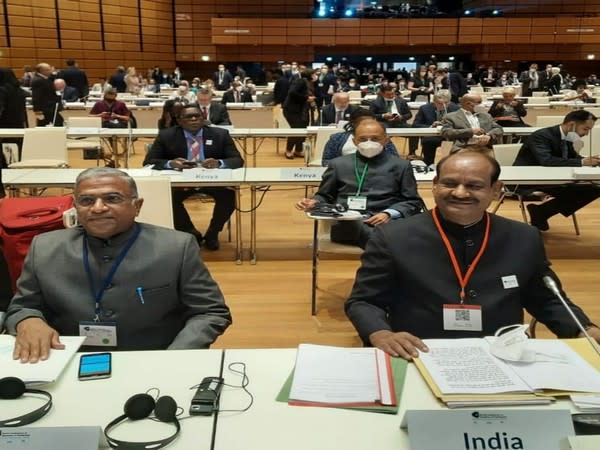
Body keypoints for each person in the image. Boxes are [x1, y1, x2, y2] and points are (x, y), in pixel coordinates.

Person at [345, 150, 600, 359]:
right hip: (419, 351)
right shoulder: (392, 237)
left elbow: (547, 299)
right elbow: (364, 301)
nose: (460, 193)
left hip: (502, 353)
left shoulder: (523, 237)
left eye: (474, 185)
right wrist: (381, 334)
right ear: (434, 186)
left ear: (495, 189)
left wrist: (584, 330)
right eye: (449, 183)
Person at [4, 168, 232, 362]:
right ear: (75, 207)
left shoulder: (176, 247)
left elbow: (210, 312)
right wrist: (28, 321)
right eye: (87, 200)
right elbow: (22, 307)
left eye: (112, 198)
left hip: (153, 359)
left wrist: (175, 357)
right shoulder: (45, 247)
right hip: (68, 360)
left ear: (137, 205)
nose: (98, 208)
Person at [296, 119, 423, 249]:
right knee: (374, 235)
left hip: (387, 221)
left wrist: (389, 213)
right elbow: (324, 195)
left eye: (375, 139)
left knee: (382, 234)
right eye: (362, 139)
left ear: (386, 140)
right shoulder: (338, 165)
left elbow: (413, 201)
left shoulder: (401, 166)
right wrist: (313, 202)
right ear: (354, 141)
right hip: (349, 223)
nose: (369, 143)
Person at [144, 104, 244, 250]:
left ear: (203, 118)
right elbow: (149, 161)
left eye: (197, 116)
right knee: (166, 197)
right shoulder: (167, 135)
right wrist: (171, 163)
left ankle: (213, 232)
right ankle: (190, 232)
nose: (194, 119)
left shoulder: (220, 134)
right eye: (188, 117)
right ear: (179, 120)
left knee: (229, 195)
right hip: (180, 181)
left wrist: (219, 163)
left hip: (212, 180)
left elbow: (237, 160)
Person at [513, 110, 600, 231]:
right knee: (578, 192)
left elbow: (572, 158)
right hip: (529, 179)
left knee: (594, 189)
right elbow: (547, 161)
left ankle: (541, 211)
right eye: (585, 129)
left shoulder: (567, 136)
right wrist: (582, 162)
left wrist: (590, 160)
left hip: (553, 177)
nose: (586, 134)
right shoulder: (541, 135)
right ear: (571, 125)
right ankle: (540, 212)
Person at [321, 109, 398, 166]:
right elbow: (326, 161)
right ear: (353, 123)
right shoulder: (336, 138)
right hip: (345, 174)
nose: (367, 126)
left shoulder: (381, 138)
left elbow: (394, 159)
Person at [411, 91, 460, 166]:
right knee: (428, 142)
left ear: (450, 102)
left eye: (446, 103)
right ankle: (429, 165)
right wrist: (431, 125)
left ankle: (452, 165)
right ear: (434, 102)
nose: (443, 106)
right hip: (432, 136)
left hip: (450, 135)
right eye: (439, 103)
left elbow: (461, 125)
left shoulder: (456, 108)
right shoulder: (424, 108)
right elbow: (415, 125)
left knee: (460, 142)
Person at [282, 69, 317, 159]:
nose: (315, 75)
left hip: (302, 110)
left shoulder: (308, 82)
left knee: (303, 129)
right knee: (296, 129)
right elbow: (292, 92)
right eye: (314, 74)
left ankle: (298, 150)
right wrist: (306, 98)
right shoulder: (300, 81)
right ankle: (288, 150)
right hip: (292, 110)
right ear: (310, 75)